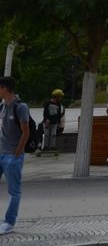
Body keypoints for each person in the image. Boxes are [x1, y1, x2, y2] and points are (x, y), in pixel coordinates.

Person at [0, 76, 30, 235]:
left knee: (14, 191)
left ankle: (9, 222)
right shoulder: (2, 106)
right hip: (0, 152)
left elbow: (26, 132)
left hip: (13, 155)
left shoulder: (20, 107)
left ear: (4, 88)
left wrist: (18, 152)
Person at [39, 89, 65, 156]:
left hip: (54, 122)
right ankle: (45, 147)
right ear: (56, 96)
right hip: (47, 122)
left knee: (53, 134)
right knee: (46, 134)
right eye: (60, 97)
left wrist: (59, 122)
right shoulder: (48, 103)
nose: (60, 98)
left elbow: (58, 114)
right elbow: (45, 112)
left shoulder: (58, 105)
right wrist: (46, 119)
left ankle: (52, 146)